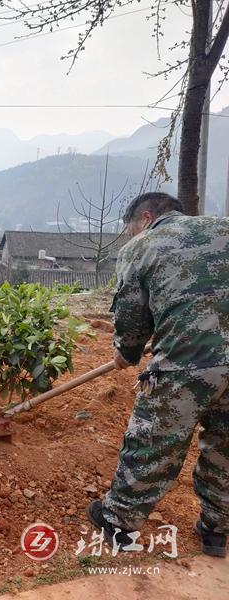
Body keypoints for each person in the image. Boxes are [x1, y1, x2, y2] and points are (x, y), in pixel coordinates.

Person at [87, 192, 229, 558]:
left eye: (131, 228)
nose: (131, 236)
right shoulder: (224, 229)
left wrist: (128, 352)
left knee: (154, 442)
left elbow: (132, 320)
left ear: (146, 217)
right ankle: (216, 532)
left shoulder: (142, 247)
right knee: (226, 448)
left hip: (186, 365)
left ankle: (118, 522)